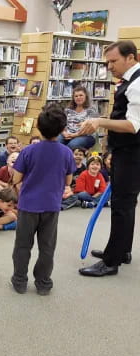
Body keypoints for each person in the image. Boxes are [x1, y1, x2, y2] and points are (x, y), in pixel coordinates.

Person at [77, 41, 140, 277]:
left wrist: (100, 122)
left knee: (122, 206)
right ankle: (122, 250)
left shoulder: (137, 84)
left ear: (131, 58)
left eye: (113, 61)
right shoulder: (129, 82)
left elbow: (133, 125)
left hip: (132, 153)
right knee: (126, 204)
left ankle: (111, 261)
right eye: (107, 62)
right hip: (126, 151)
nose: (109, 66)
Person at [11, 104, 76, 295]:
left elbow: (16, 178)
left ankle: (20, 280)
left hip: (28, 205)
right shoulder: (67, 152)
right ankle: (43, 283)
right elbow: (68, 180)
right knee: (47, 247)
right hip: (51, 206)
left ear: (38, 127)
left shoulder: (28, 151)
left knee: (23, 245)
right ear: (63, 129)